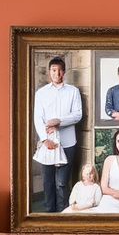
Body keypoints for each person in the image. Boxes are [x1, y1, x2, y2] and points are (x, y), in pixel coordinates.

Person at [33, 57, 82, 214]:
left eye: (60, 70)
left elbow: (78, 115)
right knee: (48, 181)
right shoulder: (41, 93)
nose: (57, 73)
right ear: (49, 72)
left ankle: (63, 214)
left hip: (67, 142)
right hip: (48, 143)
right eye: (54, 70)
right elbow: (37, 118)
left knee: (61, 182)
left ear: (64, 71)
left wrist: (59, 121)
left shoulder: (73, 91)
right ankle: (50, 213)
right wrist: (45, 139)